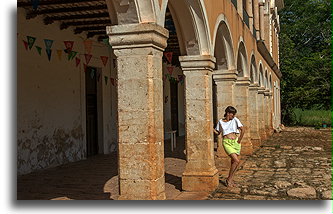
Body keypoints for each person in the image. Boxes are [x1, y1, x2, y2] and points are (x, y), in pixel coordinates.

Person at [214, 106, 245, 187]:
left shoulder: (235, 120)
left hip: (236, 142)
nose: (233, 116)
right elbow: (218, 132)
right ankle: (229, 178)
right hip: (226, 143)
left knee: (234, 163)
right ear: (228, 113)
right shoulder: (221, 122)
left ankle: (230, 179)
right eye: (232, 114)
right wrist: (210, 127)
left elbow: (243, 129)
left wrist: (239, 140)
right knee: (237, 161)